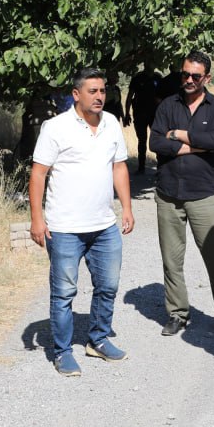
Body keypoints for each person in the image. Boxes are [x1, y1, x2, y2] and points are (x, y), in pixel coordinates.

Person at [30, 68, 136, 376]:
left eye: (102, 90)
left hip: (103, 225)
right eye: (93, 91)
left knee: (108, 286)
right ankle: (63, 352)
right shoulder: (56, 127)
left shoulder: (112, 123)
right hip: (64, 228)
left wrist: (126, 208)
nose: (100, 96)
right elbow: (38, 174)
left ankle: (98, 340)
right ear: (76, 94)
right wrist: (37, 218)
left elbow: (119, 167)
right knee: (64, 293)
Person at [149, 51, 214, 339]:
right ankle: (177, 313)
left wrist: (176, 135)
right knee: (171, 260)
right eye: (185, 74)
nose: (188, 80)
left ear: (207, 78)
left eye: (195, 76)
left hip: (204, 196)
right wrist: (191, 145)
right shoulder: (167, 104)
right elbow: (155, 142)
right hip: (169, 195)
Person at [124, 64, 161, 173]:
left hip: (155, 115)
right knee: (142, 140)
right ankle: (141, 167)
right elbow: (130, 96)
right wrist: (127, 113)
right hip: (140, 114)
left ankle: (160, 167)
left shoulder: (158, 78)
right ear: (145, 64)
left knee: (157, 139)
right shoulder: (138, 77)